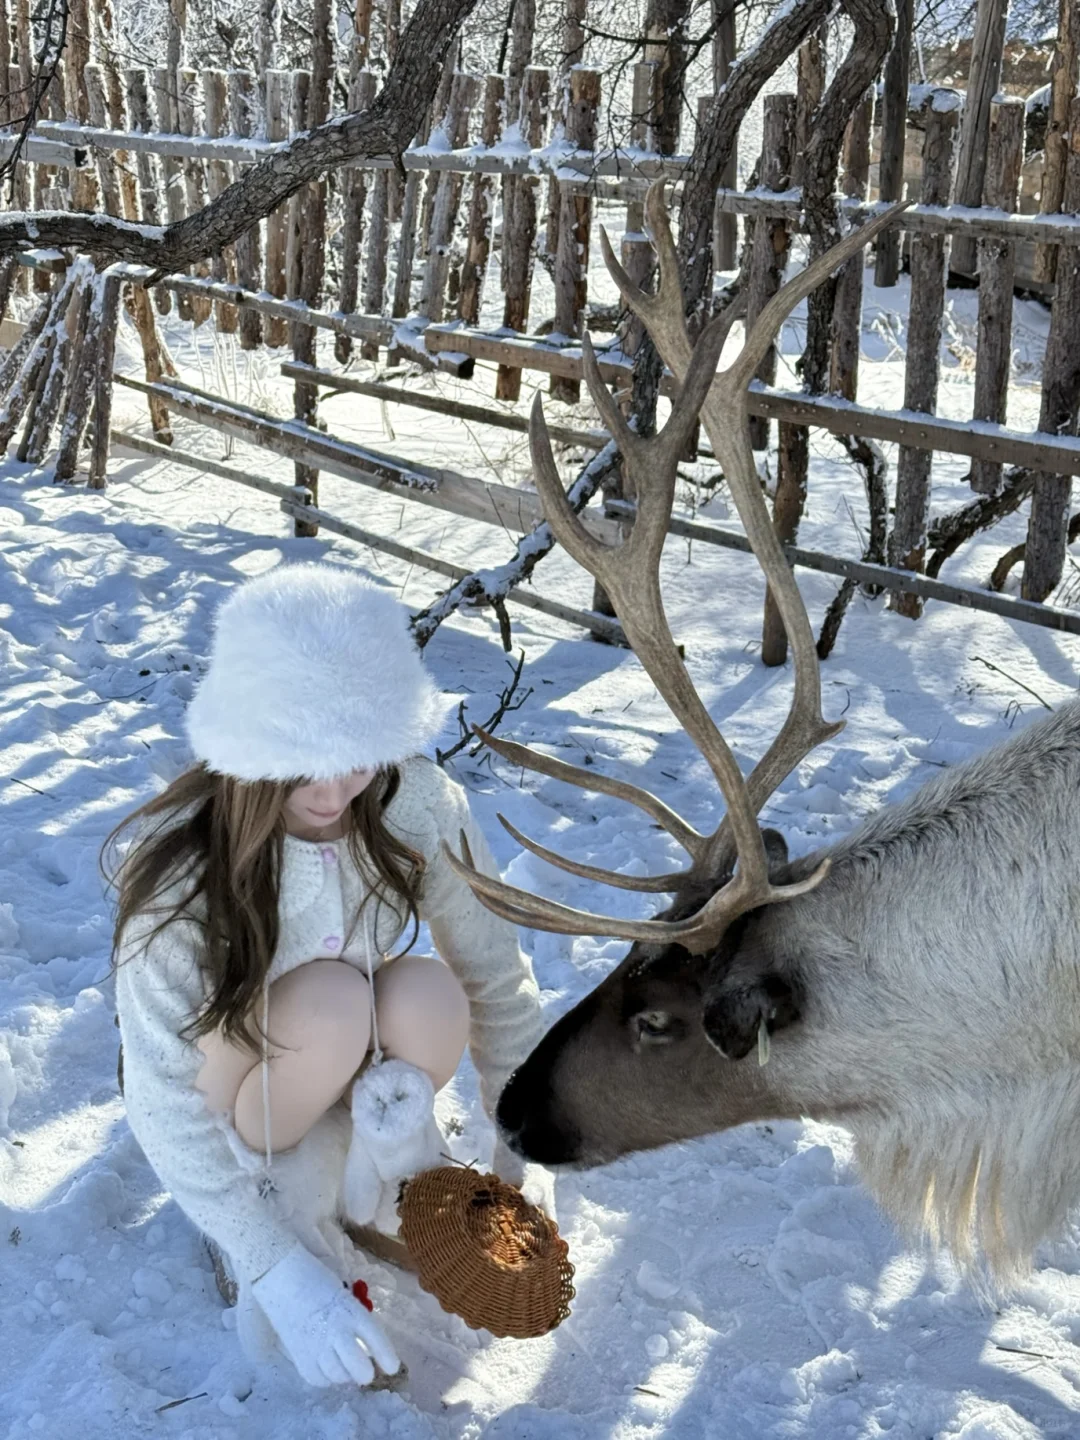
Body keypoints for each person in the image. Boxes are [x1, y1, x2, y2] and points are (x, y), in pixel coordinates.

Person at [108, 563, 545, 1390]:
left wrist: (523, 1134)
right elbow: (158, 1095)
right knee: (341, 1005)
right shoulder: (179, 870)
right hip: (226, 1085)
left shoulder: (413, 801)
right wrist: (275, 1267)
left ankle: (385, 1182)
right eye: (306, 758)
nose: (338, 787)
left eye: (357, 753)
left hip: (327, 1052)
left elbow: (494, 971)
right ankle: (278, 1216)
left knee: (428, 998)